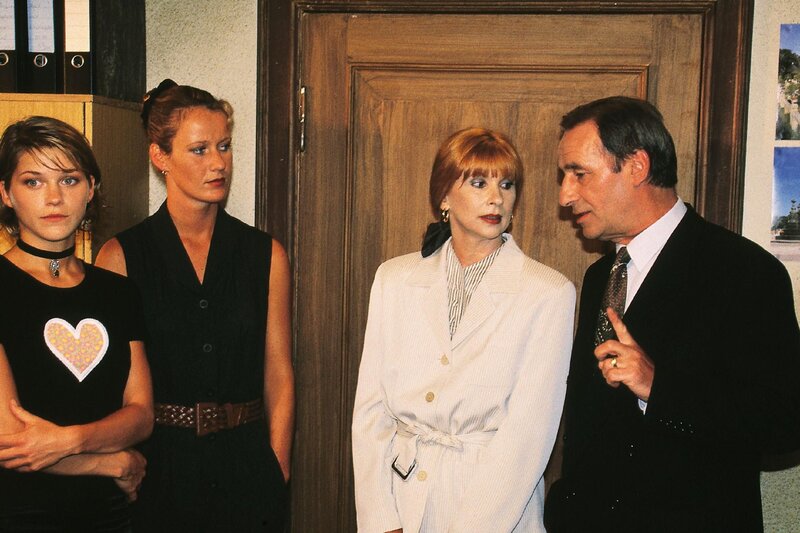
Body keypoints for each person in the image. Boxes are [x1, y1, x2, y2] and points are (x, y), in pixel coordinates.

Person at [544, 96, 800, 532]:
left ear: (637, 166)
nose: (565, 195)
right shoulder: (600, 276)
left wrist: (657, 387)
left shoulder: (744, 271)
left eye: (579, 174)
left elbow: (784, 423)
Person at [352, 127, 575, 532]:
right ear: (443, 196)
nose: (496, 198)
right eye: (478, 183)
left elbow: (528, 437)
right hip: (402, 502)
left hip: (495, 513)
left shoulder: (547, 292)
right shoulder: (394, 279)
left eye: (506, 184)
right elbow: (370, 412)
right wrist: (382, 520)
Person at [95, 80, 294, 531]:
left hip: (247, 469)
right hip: (159, 472)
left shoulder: (265, 255)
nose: (218, 163)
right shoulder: (121, 256)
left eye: (224, 146)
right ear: (160, 157)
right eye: (199, 150)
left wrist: (277, 464)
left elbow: (279, 370)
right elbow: (112, 386)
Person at [0, 116, 153, 531]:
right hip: (19, 516)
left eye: (68, 180)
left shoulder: (119, 292)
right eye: (33, 181)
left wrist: (69, 440)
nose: (54, 197)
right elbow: (12, 443)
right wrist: (111, 462)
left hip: (111, 516)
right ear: (6, 193)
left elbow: (141, 415)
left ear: (90, 189)